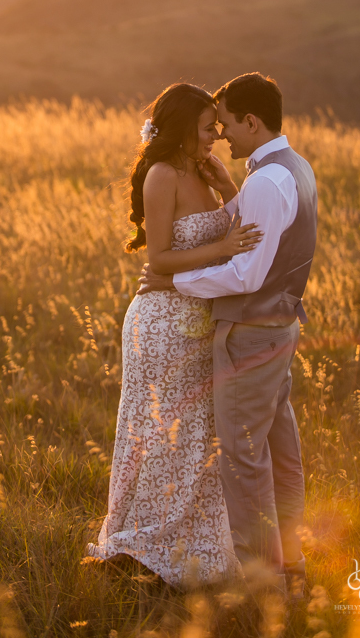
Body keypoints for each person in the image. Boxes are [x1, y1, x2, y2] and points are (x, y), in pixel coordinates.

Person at [138, 73, 317, 599]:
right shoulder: (294, 169)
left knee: (242, 457)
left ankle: (264, 582)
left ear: (251, 121)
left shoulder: (266, 180)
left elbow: (245, 274)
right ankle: (292, 562)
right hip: (280, 327)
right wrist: (226, 191)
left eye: (228, 124)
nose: (223, 135)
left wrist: (175, 281)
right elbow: (248, 233)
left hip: (252, 334)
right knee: (280, 449)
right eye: (212, 126)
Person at [86, 83, 263, 586]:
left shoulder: (205, 173)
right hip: (162, 326)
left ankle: (195, 550)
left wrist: (229, 188)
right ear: (186, 127)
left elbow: (237, 235)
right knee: (161, 436)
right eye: (209, 128)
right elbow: (158, 259)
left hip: (201, 325)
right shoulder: (162, 175)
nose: (217, 136)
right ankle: (141, 545)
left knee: (198, 438)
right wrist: (223, 243)